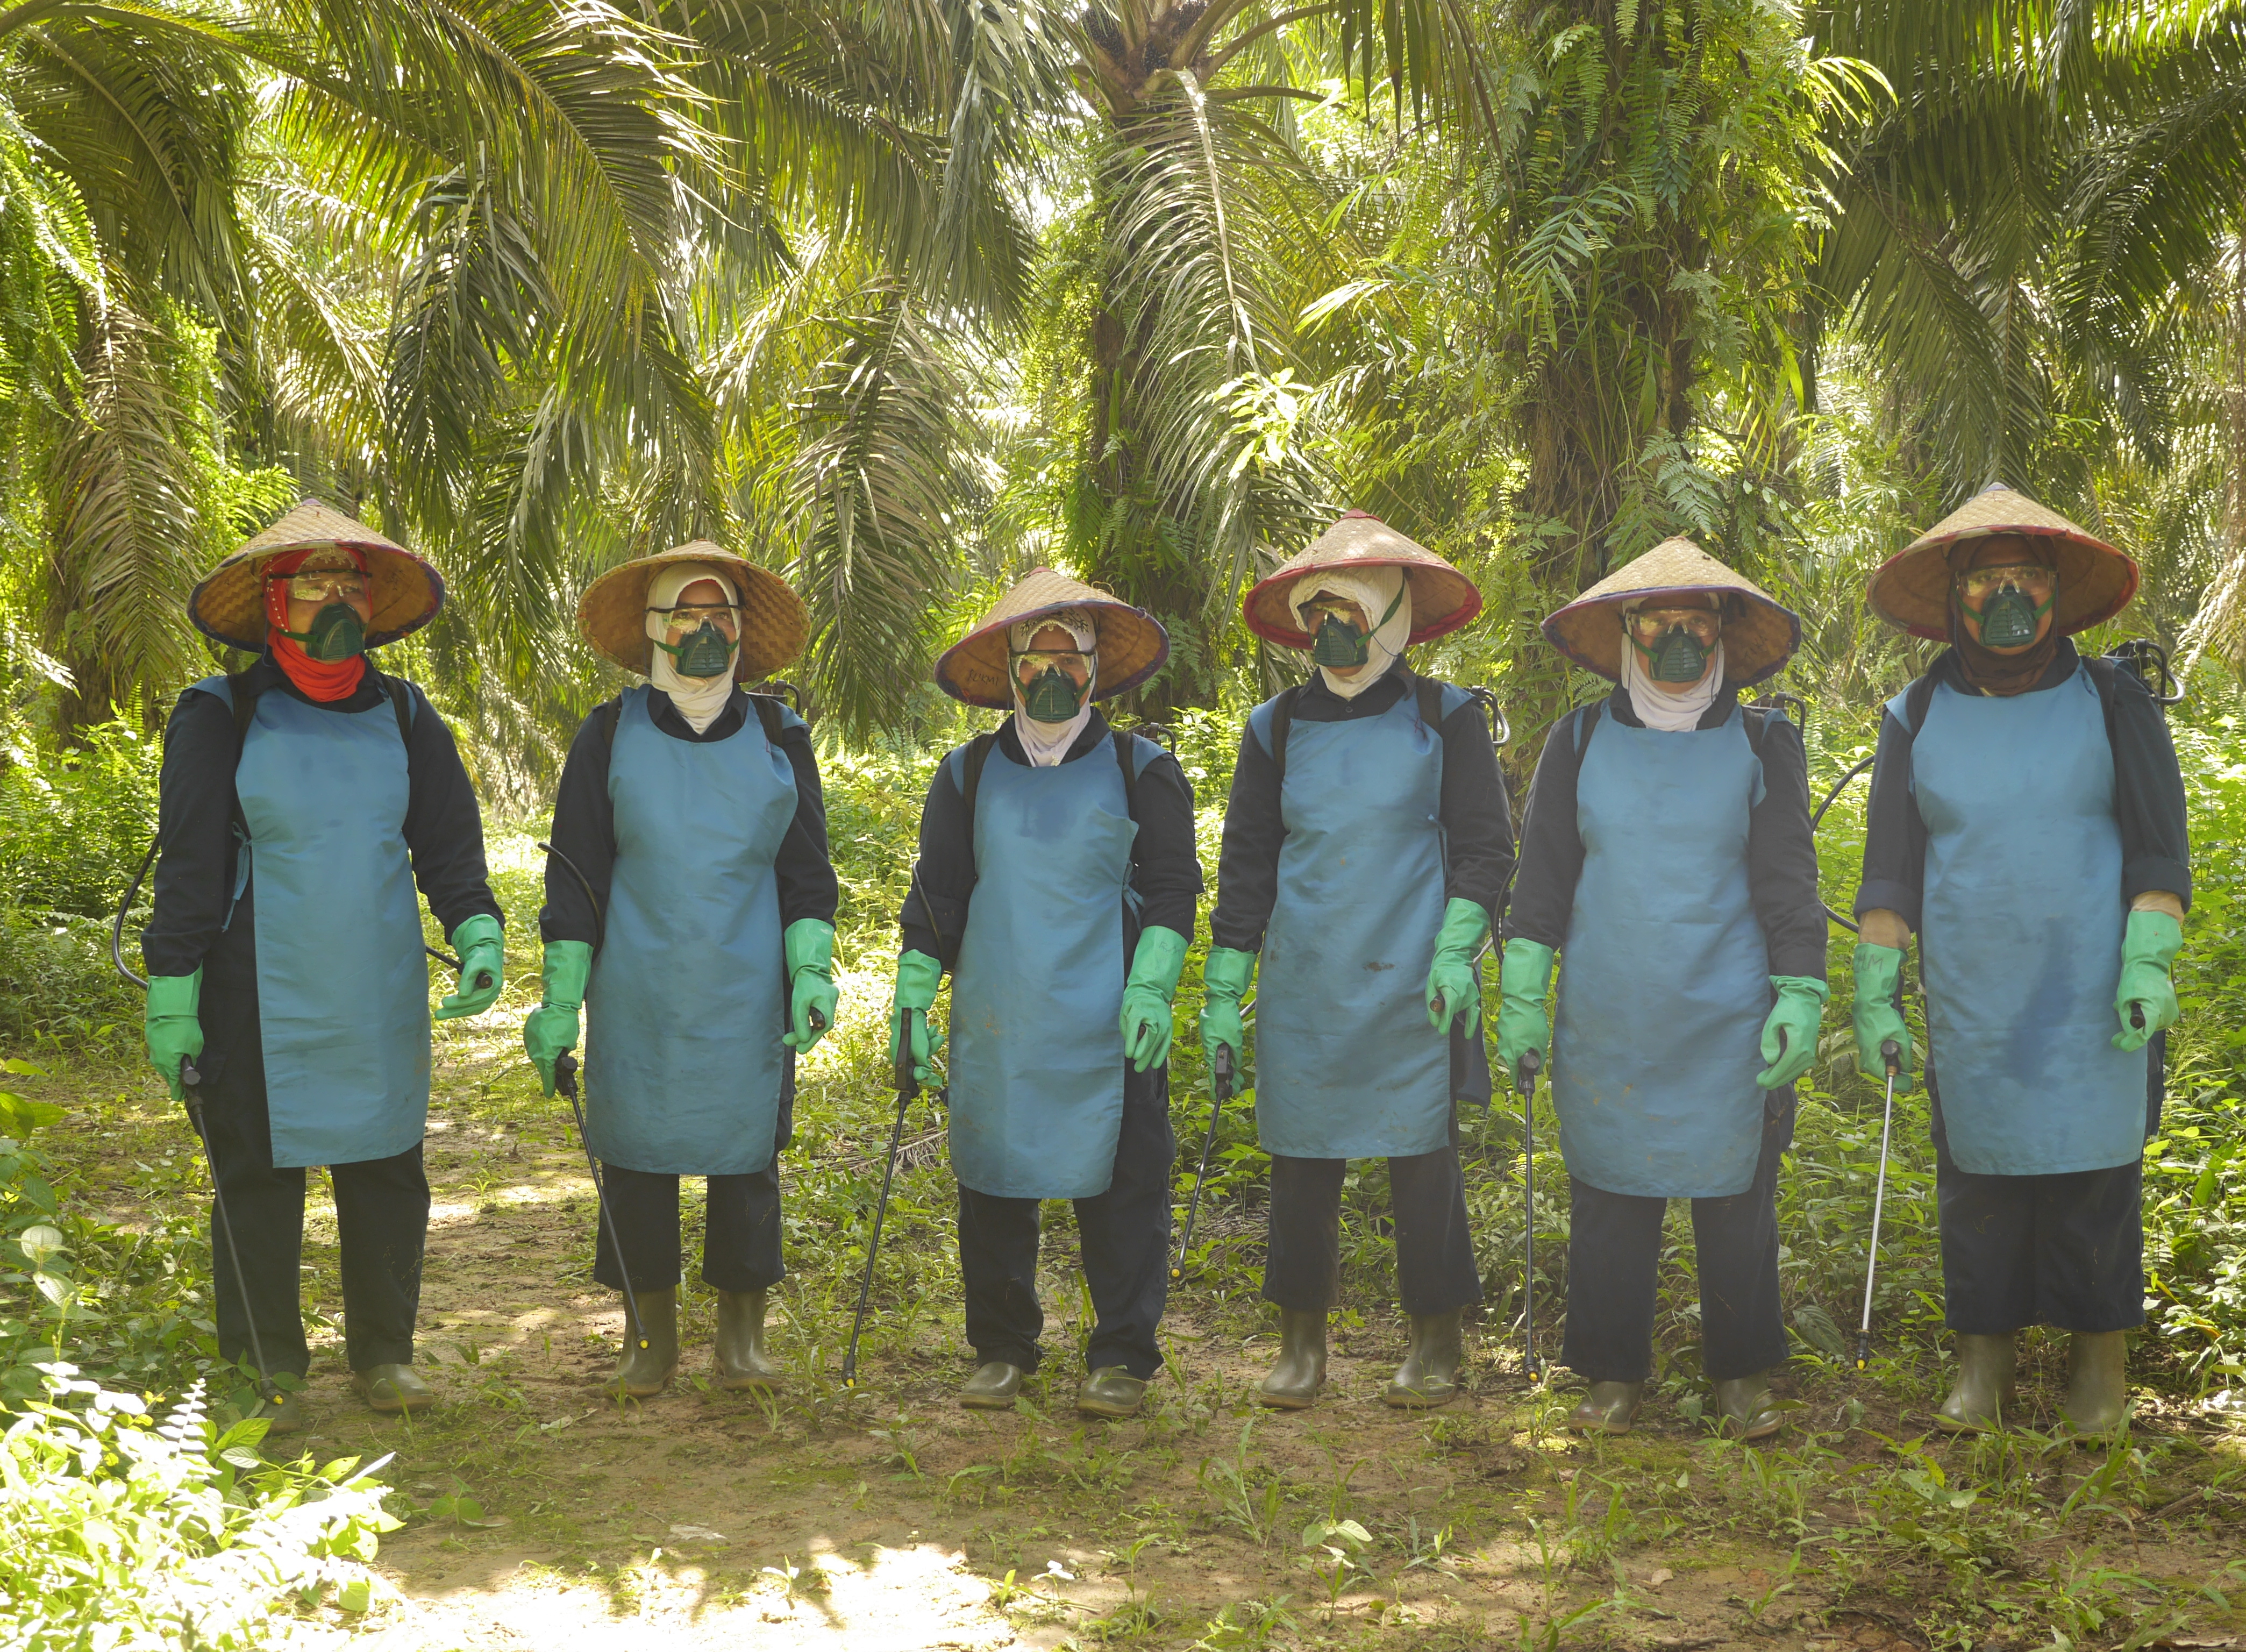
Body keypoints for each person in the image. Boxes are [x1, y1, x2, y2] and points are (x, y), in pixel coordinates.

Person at [143, 501, 503, 1433]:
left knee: (386, 1166)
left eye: (352, 584)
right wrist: (173, 992)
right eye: (315, 585)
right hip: (252, 985)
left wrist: (476, 933)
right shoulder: (221, 714)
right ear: (273, 604)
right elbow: (189, 863)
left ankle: (385, 1355)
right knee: (256, 1176)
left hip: (375, 983)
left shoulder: (407, 714)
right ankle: (266, 1365)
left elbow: (449, 844)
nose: (337, 598)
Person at [1851, 485, 2190, 1434]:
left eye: (2027, 578)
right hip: (1975, 991)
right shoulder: (1913, 714)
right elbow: (1889, 873)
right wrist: (1876, 992)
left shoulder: (2116, 698)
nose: (2008, 597)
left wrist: (2149, 960)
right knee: (1981, 1180)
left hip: (2094, 984)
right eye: (1987, 579)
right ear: (1954, 594)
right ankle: (1983, 1368)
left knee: (2097, 1174)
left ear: (2054, 590)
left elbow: (2161, 849)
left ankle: (2099, 1375)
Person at [1496, 539, 1828, 1440]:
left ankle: (1742, 1378)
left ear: (1721, 632)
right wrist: (1522, 993)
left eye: (1697, 621)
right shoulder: (1578, 739)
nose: (1678, 638)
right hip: (1610, 1011)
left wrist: (1801, 992)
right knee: (1610, 1193)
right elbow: (1544, 880)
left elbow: (1790, 884)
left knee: (1735, 1200)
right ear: (1627, 632)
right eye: (1658, 622)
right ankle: (1611, 1376)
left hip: (1729, 1013)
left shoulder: (1766, 741)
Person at [1202, 512, 1514, 1410]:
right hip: (1308, 971)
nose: (1331, 628)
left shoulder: (1445, 715)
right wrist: (1226, 984)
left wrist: (1460, 951)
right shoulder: (1276, 728)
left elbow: (1486, 849)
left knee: (1423, 1160)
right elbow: (1248, 861)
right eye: (1317, 612)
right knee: (1302, 1159)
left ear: (1388, 613)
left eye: (1349, 608)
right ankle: (1301, 1344)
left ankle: (1436, 1340)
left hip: (1417, 970)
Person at [525, 543, 839, 1399]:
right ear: (656, 629)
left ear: (741, 631)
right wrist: (559, 998)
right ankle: (647, 1336)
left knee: (747, 1161)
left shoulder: (780, 735)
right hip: (638, 986)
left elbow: (805, 872)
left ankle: (743, 1338)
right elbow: (578, 877)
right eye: (687, 615)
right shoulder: (608, 734)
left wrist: (812, 969)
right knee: (637, 1158)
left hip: (748, 989)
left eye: (722, 616)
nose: (706, 631)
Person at [891, 569, 1201, 1419]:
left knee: (1126, 1179)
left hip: (1109, 1010)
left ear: (1098, 669)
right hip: (1002, 1009)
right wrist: (914, 996)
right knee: (993, 1173)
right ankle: (1001, 1346)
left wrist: (1153, 989)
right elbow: (938, 896)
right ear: (1012, 668)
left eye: (1073, 654)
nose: (1054, 672)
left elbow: (1176, 888)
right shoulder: (966, 775)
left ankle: (1122, 1355)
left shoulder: (1143, 768)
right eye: (1037, 655)